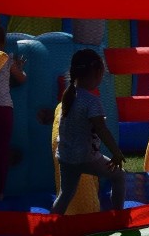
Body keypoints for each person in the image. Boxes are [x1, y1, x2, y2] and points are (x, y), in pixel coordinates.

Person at [51, 49, 126, 214]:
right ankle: (119, 216)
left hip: (65, 156)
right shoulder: (91, 101)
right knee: (119, 176)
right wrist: (116, 152)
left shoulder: (69, 95)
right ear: (98, 73)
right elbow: (101, 129)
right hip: (85, 157)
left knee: (65, 194)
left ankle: (52, 224)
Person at [0, 23, 27, 202]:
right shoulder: (6, 59)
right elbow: (22, 78)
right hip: (4, 109)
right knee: (2, 152)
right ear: (2, 43)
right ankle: (0, 193)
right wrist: (19, 65)